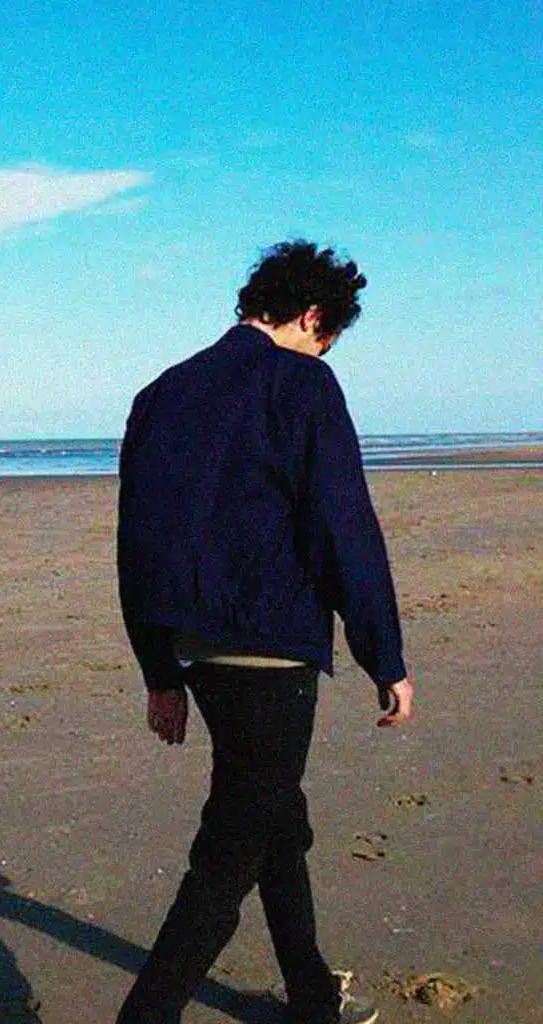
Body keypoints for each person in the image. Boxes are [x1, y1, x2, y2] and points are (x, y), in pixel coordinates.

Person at [115, 241, 414, 1024]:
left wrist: (159, 670)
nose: (324, 353)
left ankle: (312, 998)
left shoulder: (161, 393)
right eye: (328, 338)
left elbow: (136, 543)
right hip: (270, 647)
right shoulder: (301, 383)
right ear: (312, 317)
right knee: (228, 857)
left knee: (278, 820)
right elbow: (343, 527)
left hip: (193, 646)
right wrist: (384, 655)